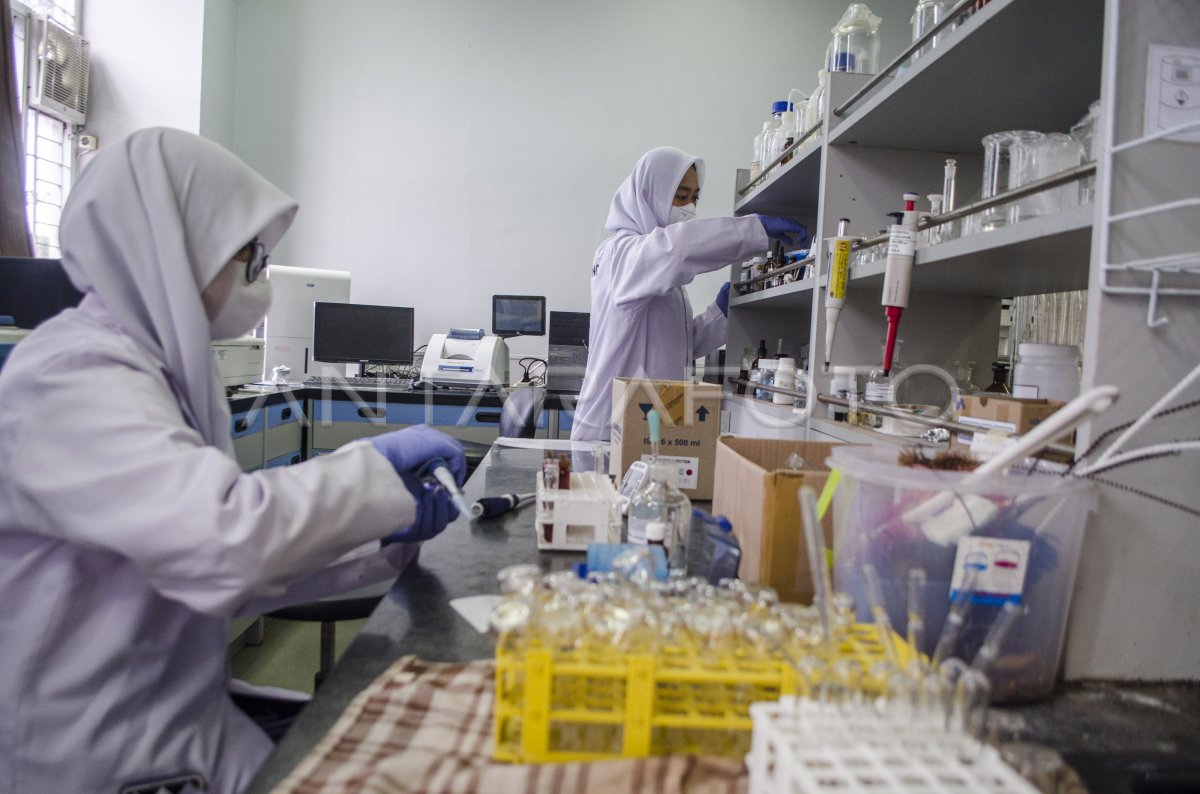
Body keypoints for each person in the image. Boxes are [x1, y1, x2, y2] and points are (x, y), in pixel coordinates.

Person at [0, 128, 466, 793]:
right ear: (176, 247)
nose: (261, 278)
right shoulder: (71, 378)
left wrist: (379, 528)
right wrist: (373, 473)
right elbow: (224, 539)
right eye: (249, 257)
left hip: (176, 721)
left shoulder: (153, 370)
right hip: (92, 754)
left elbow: (220, 563)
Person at [571, 146, 806, 441]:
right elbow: (676, 249)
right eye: (680, 196)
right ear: (647, 194)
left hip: (645, 426)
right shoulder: (619, 254)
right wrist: (754, 230)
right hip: (607, 431)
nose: (689, 209)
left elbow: (680, 347)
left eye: (694, 198)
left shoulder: (659, 277)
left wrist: (719, 314)